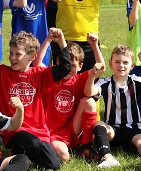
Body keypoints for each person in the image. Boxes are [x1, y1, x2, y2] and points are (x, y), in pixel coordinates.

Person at [0, 27, 73, 169]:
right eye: (11, 53)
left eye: (18, 54)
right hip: (13, 130)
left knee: (53, 165)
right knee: (34, 144)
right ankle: (16, 154)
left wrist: (61, 43)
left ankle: (20, 156)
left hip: (38, 131)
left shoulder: (39, 74)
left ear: (32, 57)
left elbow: (65, 68)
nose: (12, 58)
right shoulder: (1, 73)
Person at [38, 33, 103, 164]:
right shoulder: (51, 76)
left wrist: (95, 46)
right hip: (52, 132)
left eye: (73, 65)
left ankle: (86, 145)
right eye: (64, 63)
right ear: (57, 62)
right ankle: (45, 146)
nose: (68, 68)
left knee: (89, 101)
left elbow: (101, 68)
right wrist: (48, 39)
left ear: (80, 66)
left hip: (72, 129)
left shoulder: (79, 79)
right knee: (64, 156)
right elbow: (37, 62)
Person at [87, 45, 141, 159]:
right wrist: (92, 76)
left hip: (134, 129)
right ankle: (107, 157)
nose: (121, 65)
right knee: (98, 125)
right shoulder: (105, 82)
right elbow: (89, 92)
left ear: (132, 66)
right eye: (117, 62)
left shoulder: (135, 81)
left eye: (125, 63)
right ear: (111, 64)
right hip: (113, 129)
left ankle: (124, 146)